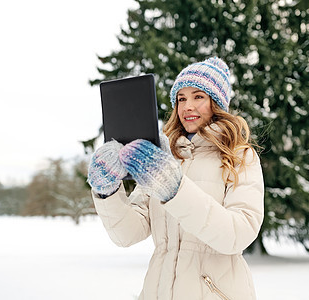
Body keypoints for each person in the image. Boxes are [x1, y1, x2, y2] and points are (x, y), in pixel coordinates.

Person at [87, 57, 264, 300]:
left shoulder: (240, 156)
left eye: (198, 96)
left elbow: (237, 235)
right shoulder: (164, 156)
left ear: (217, 103)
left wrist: (174, 189)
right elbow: (127, 234)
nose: (187, 106)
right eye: (181, 98)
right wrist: (106, 190)